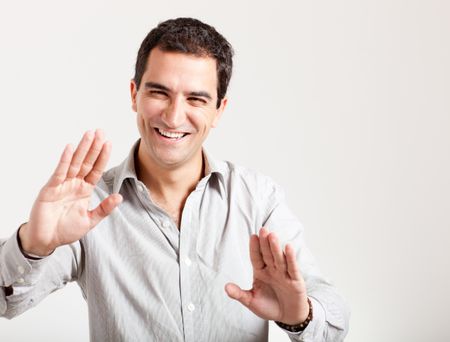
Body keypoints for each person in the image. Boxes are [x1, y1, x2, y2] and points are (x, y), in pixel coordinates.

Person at [0, 18, 349, 341]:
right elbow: (7, 304)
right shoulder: (88, 206)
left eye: (196, 99)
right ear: (134, 94)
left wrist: (298, 316)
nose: (173, 116)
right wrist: (32, 244)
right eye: (159, 93)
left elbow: (334, 317)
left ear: (219, 111)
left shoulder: (256, 198)